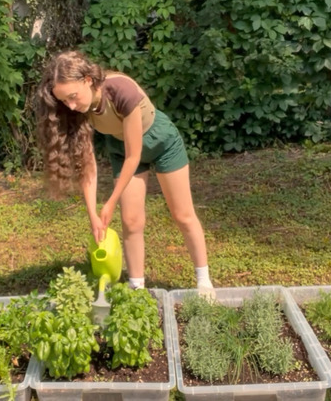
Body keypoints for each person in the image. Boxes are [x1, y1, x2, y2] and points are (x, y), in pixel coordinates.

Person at [35, 50, 215, 295]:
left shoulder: (121, 91)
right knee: (131, 221)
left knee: (183, 215)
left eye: (73, 97)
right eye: (65, 101)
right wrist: (93, 215)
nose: (72, 106)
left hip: (161, 142)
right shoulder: (78, 108)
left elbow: (135, 155)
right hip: (121, 147)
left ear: (88, 79)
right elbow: (87, 164)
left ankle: (203, 281)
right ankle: (137, 288)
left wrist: (109, 203)